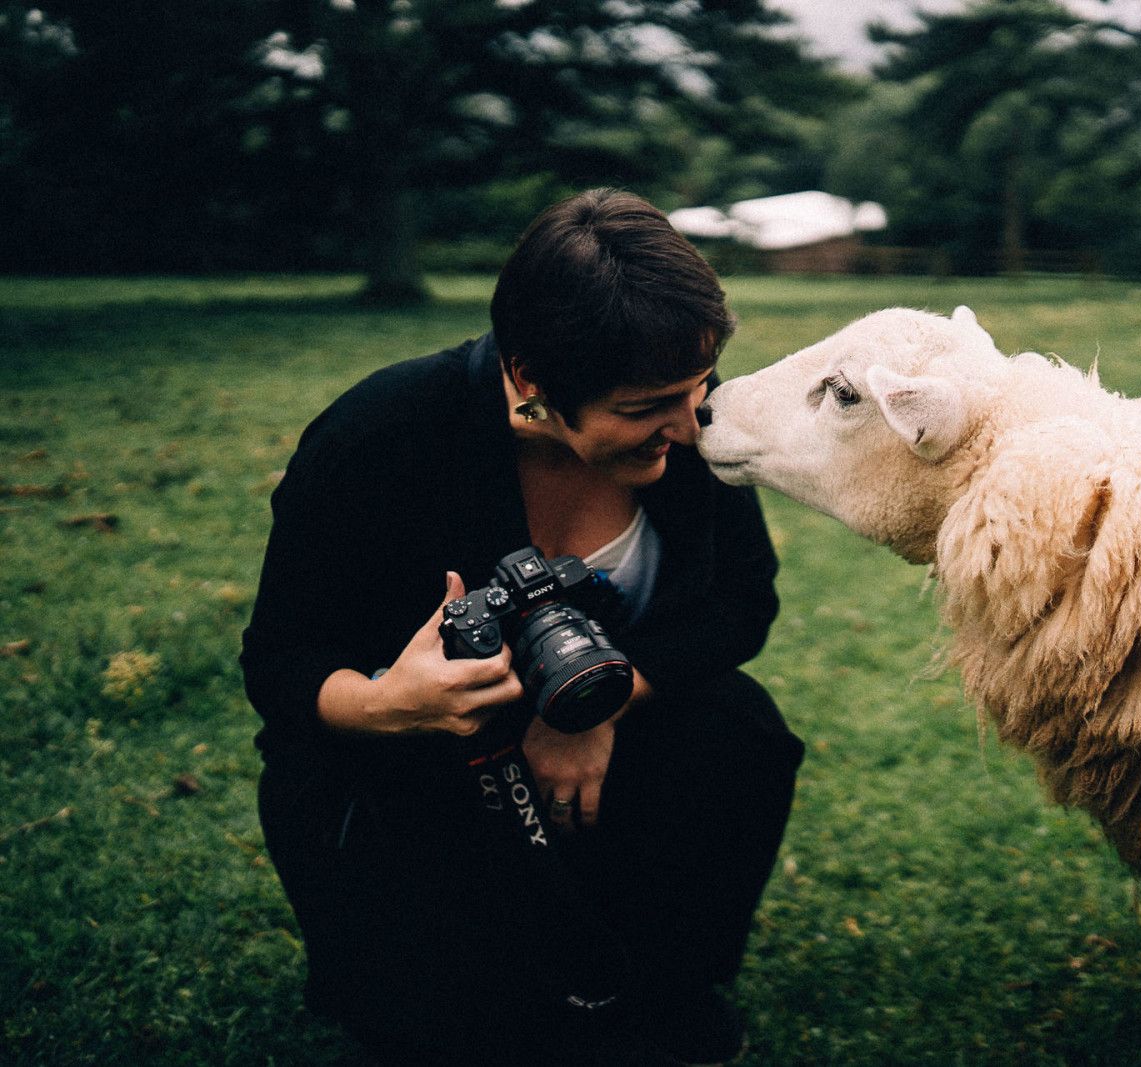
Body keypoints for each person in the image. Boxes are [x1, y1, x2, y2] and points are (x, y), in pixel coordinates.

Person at [241, 189, 804, 1065]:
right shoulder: (381, 436)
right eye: (651, 402)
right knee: (464, 1029)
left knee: (736, 729)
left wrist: (594, 708)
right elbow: (279, 659)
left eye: (699, 386)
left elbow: (741, 606)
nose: (690, 425)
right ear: (532, 378)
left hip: (611, 755)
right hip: (418, 763)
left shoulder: (689, 424)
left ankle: (663, 974)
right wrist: (391, 703)